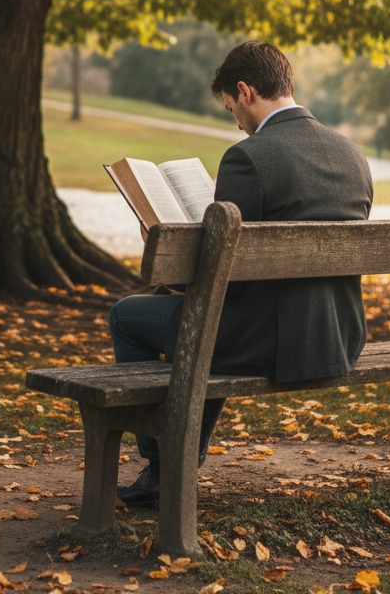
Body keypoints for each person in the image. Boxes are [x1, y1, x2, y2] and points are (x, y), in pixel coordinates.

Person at [110, 40, 373, 507]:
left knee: (129, 316)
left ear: (246, 91)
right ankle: (173, 464)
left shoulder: (247, 157)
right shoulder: (351, 154)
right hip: (338, 334)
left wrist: (172, 258)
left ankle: (163, 465)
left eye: (232, 106)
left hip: (266, 339)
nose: (236, 120)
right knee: (211, 323)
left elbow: (215, 277)